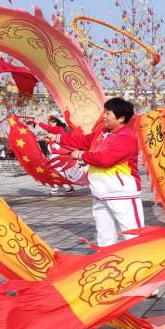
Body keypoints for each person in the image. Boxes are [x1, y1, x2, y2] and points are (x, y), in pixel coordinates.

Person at [45, 97, 143, 246]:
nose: (104, 116)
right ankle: (106, 258)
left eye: (108, 113)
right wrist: (57, 138)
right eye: (104, 112)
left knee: (134, 236)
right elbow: (82, 141)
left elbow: (105, 159)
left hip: (122, 196)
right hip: (99, 194)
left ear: (121, 118)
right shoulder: (101, 132)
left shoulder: (126, 137)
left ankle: (140, 260)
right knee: (104, 237)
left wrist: (81, 155)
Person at [39, 112, 75, 195]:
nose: (51, 124)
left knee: (58, 170)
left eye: (53, 122)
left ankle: (67, 187)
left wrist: (38, 122)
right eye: (50, 122)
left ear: (57, 122)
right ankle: (56, 187)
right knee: (51, 170)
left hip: (57, 153)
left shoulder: (59, 129)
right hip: (51, 153)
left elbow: (50, 132)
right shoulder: (52, 130)